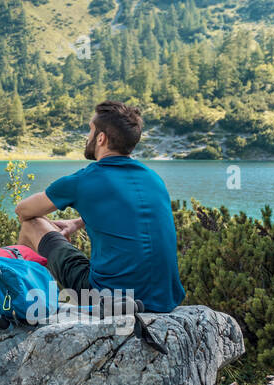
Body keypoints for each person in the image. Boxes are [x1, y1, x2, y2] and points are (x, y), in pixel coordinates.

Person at [13, 101, 184, 313]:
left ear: (101, 138)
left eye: (90, 130)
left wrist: (49, 223)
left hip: (105, 299)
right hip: (163, 300)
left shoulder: (84, 180)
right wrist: (77, 223)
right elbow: (126, 209)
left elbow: (23, 210)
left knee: (32, 224)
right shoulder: (153, 179)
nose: (88, 137)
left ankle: (19, 298)